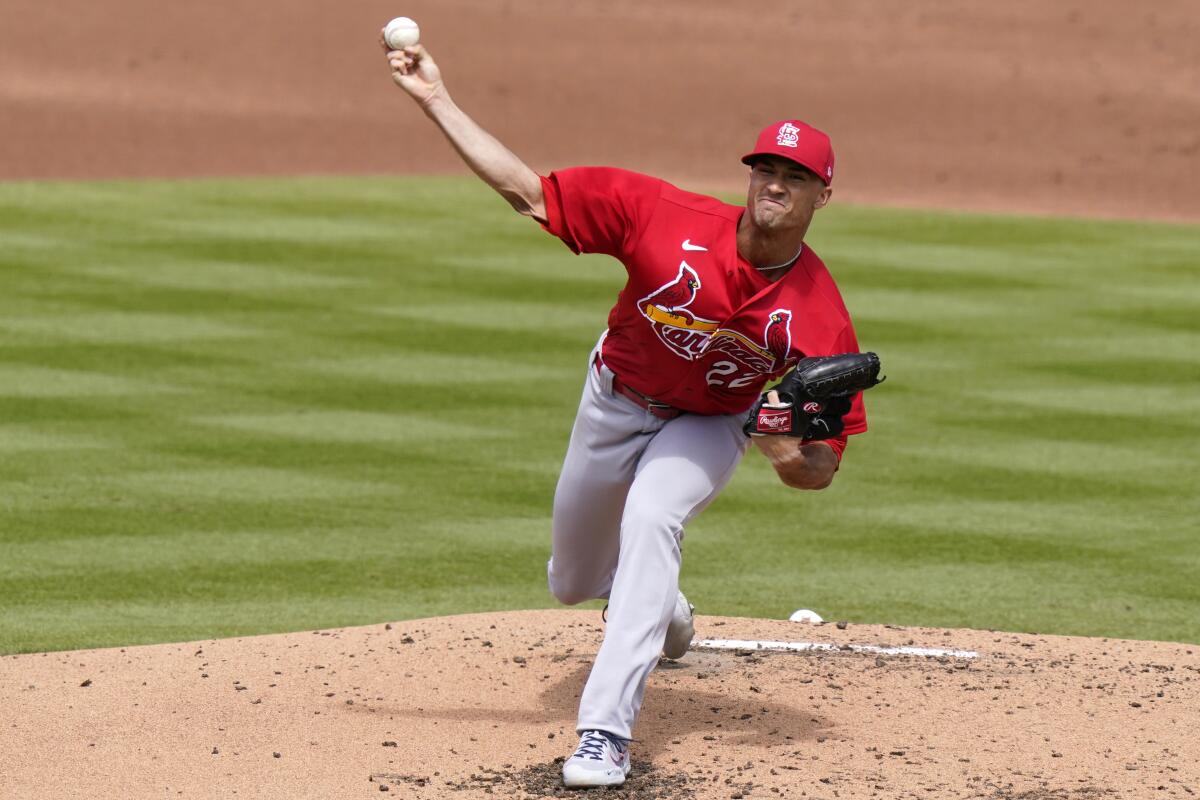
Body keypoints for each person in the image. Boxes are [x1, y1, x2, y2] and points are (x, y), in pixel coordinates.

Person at [383, 38, 870, 788]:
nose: (775, 184)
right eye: (766, 169)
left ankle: (604, 735)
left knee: (651, 519)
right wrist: (435, 100)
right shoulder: (659, 215)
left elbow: (821, 471)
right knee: (573, 582)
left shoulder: (820, 316)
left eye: (795, 177)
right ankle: (660, 601)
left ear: (821, 197)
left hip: (708, 425)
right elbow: (528, 192)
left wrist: (780, 437)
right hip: (615, 400)